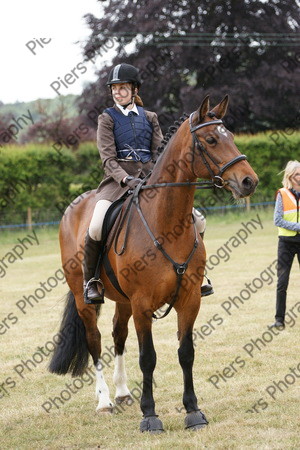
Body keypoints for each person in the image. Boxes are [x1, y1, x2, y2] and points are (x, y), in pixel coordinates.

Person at [83, 62, 212, 303]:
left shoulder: (150, 117)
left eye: (122, 88)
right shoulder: (107, 118)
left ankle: (199, 274)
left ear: (134, 90)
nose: (117, 92)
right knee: (96, 225)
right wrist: (125, 178)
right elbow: (108, 159)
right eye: (114, 88)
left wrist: (154, 177)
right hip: (116, 183)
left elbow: (160, 154)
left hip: (149, 182)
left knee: (198, 219)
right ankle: (92, 280)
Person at [271, 160, 300, 328]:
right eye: (297, 174)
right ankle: (279, 320)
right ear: (290, 176)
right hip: (286, 244)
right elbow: (277, 220)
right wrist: (297, 227)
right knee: (282, 282)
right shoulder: (282, 194)